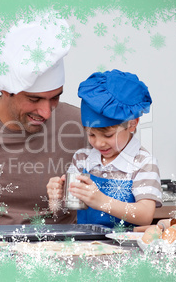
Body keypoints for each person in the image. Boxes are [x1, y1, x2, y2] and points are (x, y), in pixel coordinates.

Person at [0, 14, 88, 225]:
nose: (46, 112)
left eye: (55, 97)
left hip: (62, 250)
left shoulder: (80, 124)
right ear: (6, 90)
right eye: (34, 99)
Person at [46, 70, 162, 228]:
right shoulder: (82, 159)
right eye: (91, 134)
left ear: (132, 124)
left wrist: (101, 201)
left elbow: (145, 215)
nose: (99, 143)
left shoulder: (143, 163)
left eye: (108, 135)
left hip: (124, 247)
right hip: (85, 246)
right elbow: (67, 211)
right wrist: (56, 199)